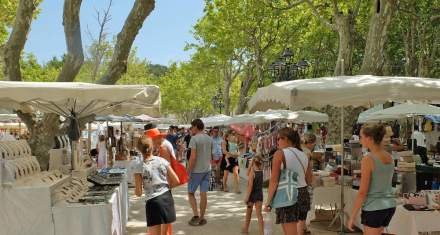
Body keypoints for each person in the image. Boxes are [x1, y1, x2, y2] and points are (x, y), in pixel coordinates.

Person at [347, 123, 396, 235]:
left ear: (370, 138)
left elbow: (362, 192)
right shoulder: (390, 157)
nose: (360, 140)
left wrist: (352, 216)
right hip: (389, 206)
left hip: (374, 207)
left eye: (361, 137)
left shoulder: (368, 159)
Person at [264, 127, 312, 235]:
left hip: (288, 195)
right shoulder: (305, 155)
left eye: (278, 139)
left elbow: (274, 181)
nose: (277, 142)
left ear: (285, 139)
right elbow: (309, 180)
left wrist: (268, 202)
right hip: (304, 194)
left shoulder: (280, 154)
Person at [134, 137, 180, 235]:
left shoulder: (139, 166)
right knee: (165, 233)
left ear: (139, 149)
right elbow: (176, 180)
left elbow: (138, 193)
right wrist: (165, 188)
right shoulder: (162, 161)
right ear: (152, 147)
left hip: (153, 202)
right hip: (167, 198)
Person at [187, 119, 213, 226]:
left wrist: (188, 171)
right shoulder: (209, 138)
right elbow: (210, 155)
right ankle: (202, 217)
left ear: (196, 127)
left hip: (196, 171)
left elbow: (193, 157)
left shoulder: (194, 139)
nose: (191, 129)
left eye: (192, 127)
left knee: (190, 193)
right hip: (207, 169)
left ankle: (196, 215)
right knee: (203, 194)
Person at [242, 155, 264, 235]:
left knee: (249, 213)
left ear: (253, 163)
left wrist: (247, 198)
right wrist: (252, 165)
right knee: (259, 214)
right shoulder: (261, 171)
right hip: (259, 195)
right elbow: (248, 173)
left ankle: (246, 229)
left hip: (251, 195)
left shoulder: (252, 172)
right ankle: (262, 232)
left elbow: (250, 186)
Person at [301, 133, 317, 234]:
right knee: (305, 209)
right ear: (311, 143)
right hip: (305, 184)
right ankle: (303, 229)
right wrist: (311, 183)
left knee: (301, 210)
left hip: (298, 183)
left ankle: (304, 228)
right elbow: (308, 171)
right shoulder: (308, 153)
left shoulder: (298, 150)